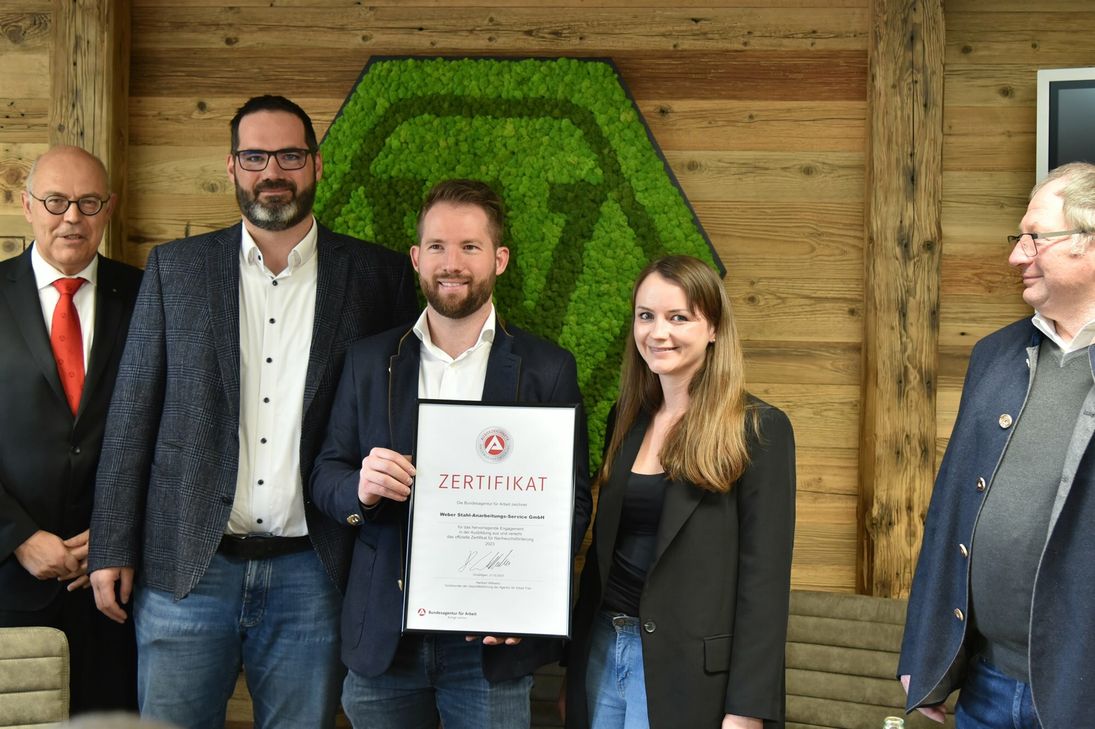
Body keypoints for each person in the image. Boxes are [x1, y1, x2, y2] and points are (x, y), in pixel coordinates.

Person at [87, 95, 419, 729]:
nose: (274, 171)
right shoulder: (176, 269)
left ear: (317, 165)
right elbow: (131, 418)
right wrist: (110, 545)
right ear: (232, 166)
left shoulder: (377, 278)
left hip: (314, 574)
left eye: (290, 155)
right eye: (255, 155)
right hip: (185, 568)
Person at [310, 178, 593, 729]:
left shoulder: (547, 368)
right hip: (386, 641)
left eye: (470, 247)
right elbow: (326, 474)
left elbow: (571, 502)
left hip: (488, 648)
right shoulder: (371, 361)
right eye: (437, 247)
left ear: (500, 259)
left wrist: (526, 598)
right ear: (416, 258)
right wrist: (359, 489)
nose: (452, 263)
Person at [899, 162, 1095, 729]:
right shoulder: (994, 356)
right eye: (1020, 237)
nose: (1017, 254)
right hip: (986, 684)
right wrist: (928, 653)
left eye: (1036, 236)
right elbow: (949, 514)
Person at [564, 255, 796, 729]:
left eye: (679, 318)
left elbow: (765, 584)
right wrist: (573, 673)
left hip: (690, 673)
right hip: (604, 652)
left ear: (713, 329)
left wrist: (748, 708)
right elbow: (605, 555)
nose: (658, 332)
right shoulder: (625, 419)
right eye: (646, 316)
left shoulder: (758, 429)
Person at [0, 145, 141, 714]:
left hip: (116, 589)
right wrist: (16, 537)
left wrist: (117, 534)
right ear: (27, 204)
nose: (72, 218)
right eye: (56, 201)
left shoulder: (147, 295)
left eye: (88, 202)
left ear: (108, 209)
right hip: (9, 580)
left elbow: (170, 430)